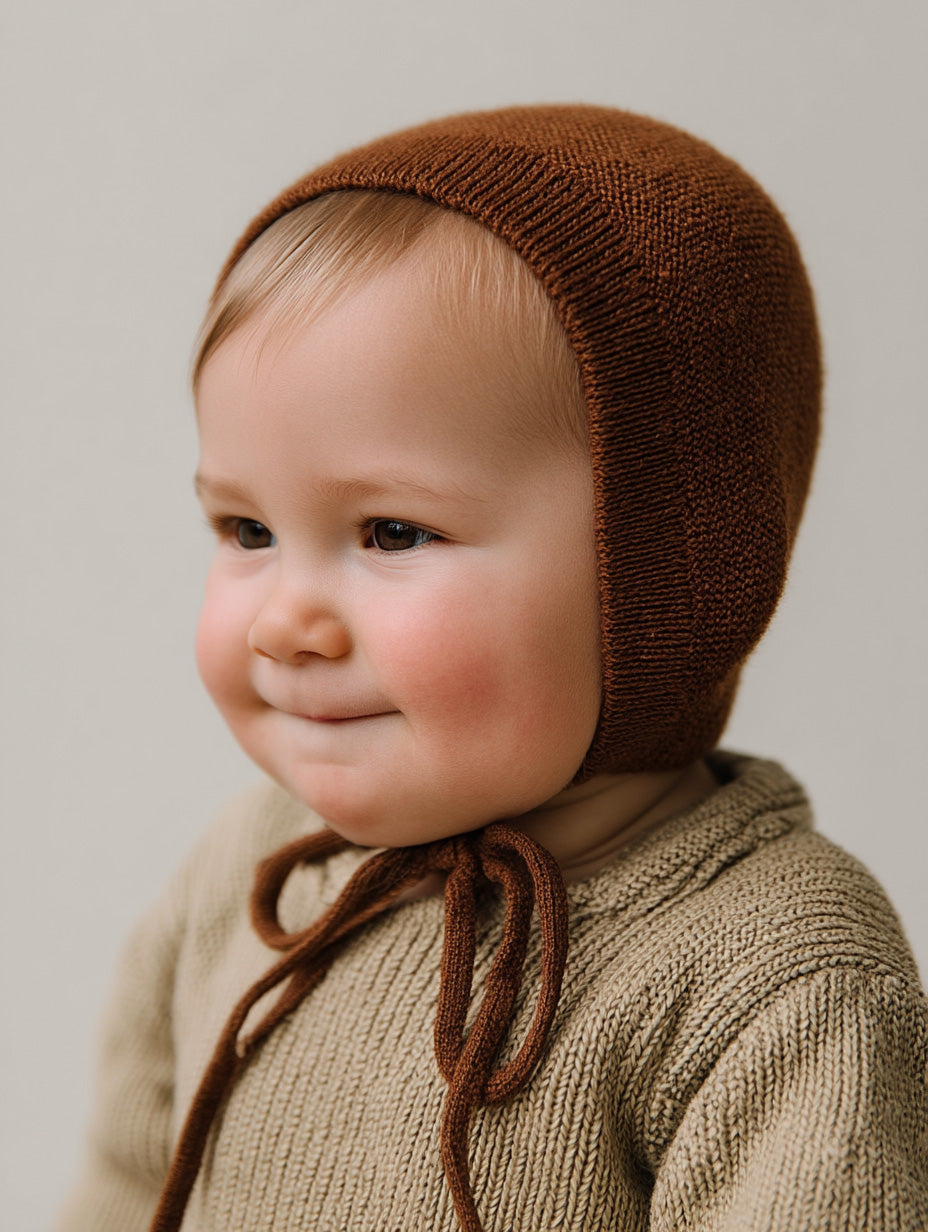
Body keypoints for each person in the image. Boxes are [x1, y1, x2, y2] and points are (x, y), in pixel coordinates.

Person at [58, 105, 928, 1232]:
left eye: (392, 532)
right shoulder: (257, 867)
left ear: (665, 563)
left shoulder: (775, 974)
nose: (283, 623)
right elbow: (126, 1184)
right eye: (246, 529)